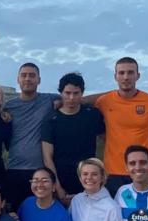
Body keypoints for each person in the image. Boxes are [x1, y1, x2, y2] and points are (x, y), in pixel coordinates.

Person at [85, 57, 148, 197]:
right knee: (117, 215)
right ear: (115, 76)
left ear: (138, 76)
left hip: (145, 169)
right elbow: (84, 105)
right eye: (121, 73)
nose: (126, 77)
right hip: (114, 172)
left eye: (130, 73)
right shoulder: (104, 101)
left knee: (147, 215)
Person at [3, 63, 60, 211]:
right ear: (18, 79)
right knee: (15, 215)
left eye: (32, 75)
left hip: (40, 171)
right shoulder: (9, 106)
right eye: (24, 75)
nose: (27, 79)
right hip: (15, 169)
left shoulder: (49, 100)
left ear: (39, 80)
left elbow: (73, 97)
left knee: (39, 214)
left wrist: (61, 102)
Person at [41, 72, 105, 202]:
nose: (71, 98)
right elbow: (47, 157)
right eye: (67, 93)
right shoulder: (51, 120)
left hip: (89, 181)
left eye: (76, 93)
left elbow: (107, 141)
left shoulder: (93, 115)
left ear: (82, 93)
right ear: (61, 93)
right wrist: (57, 187)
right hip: (61, 183)